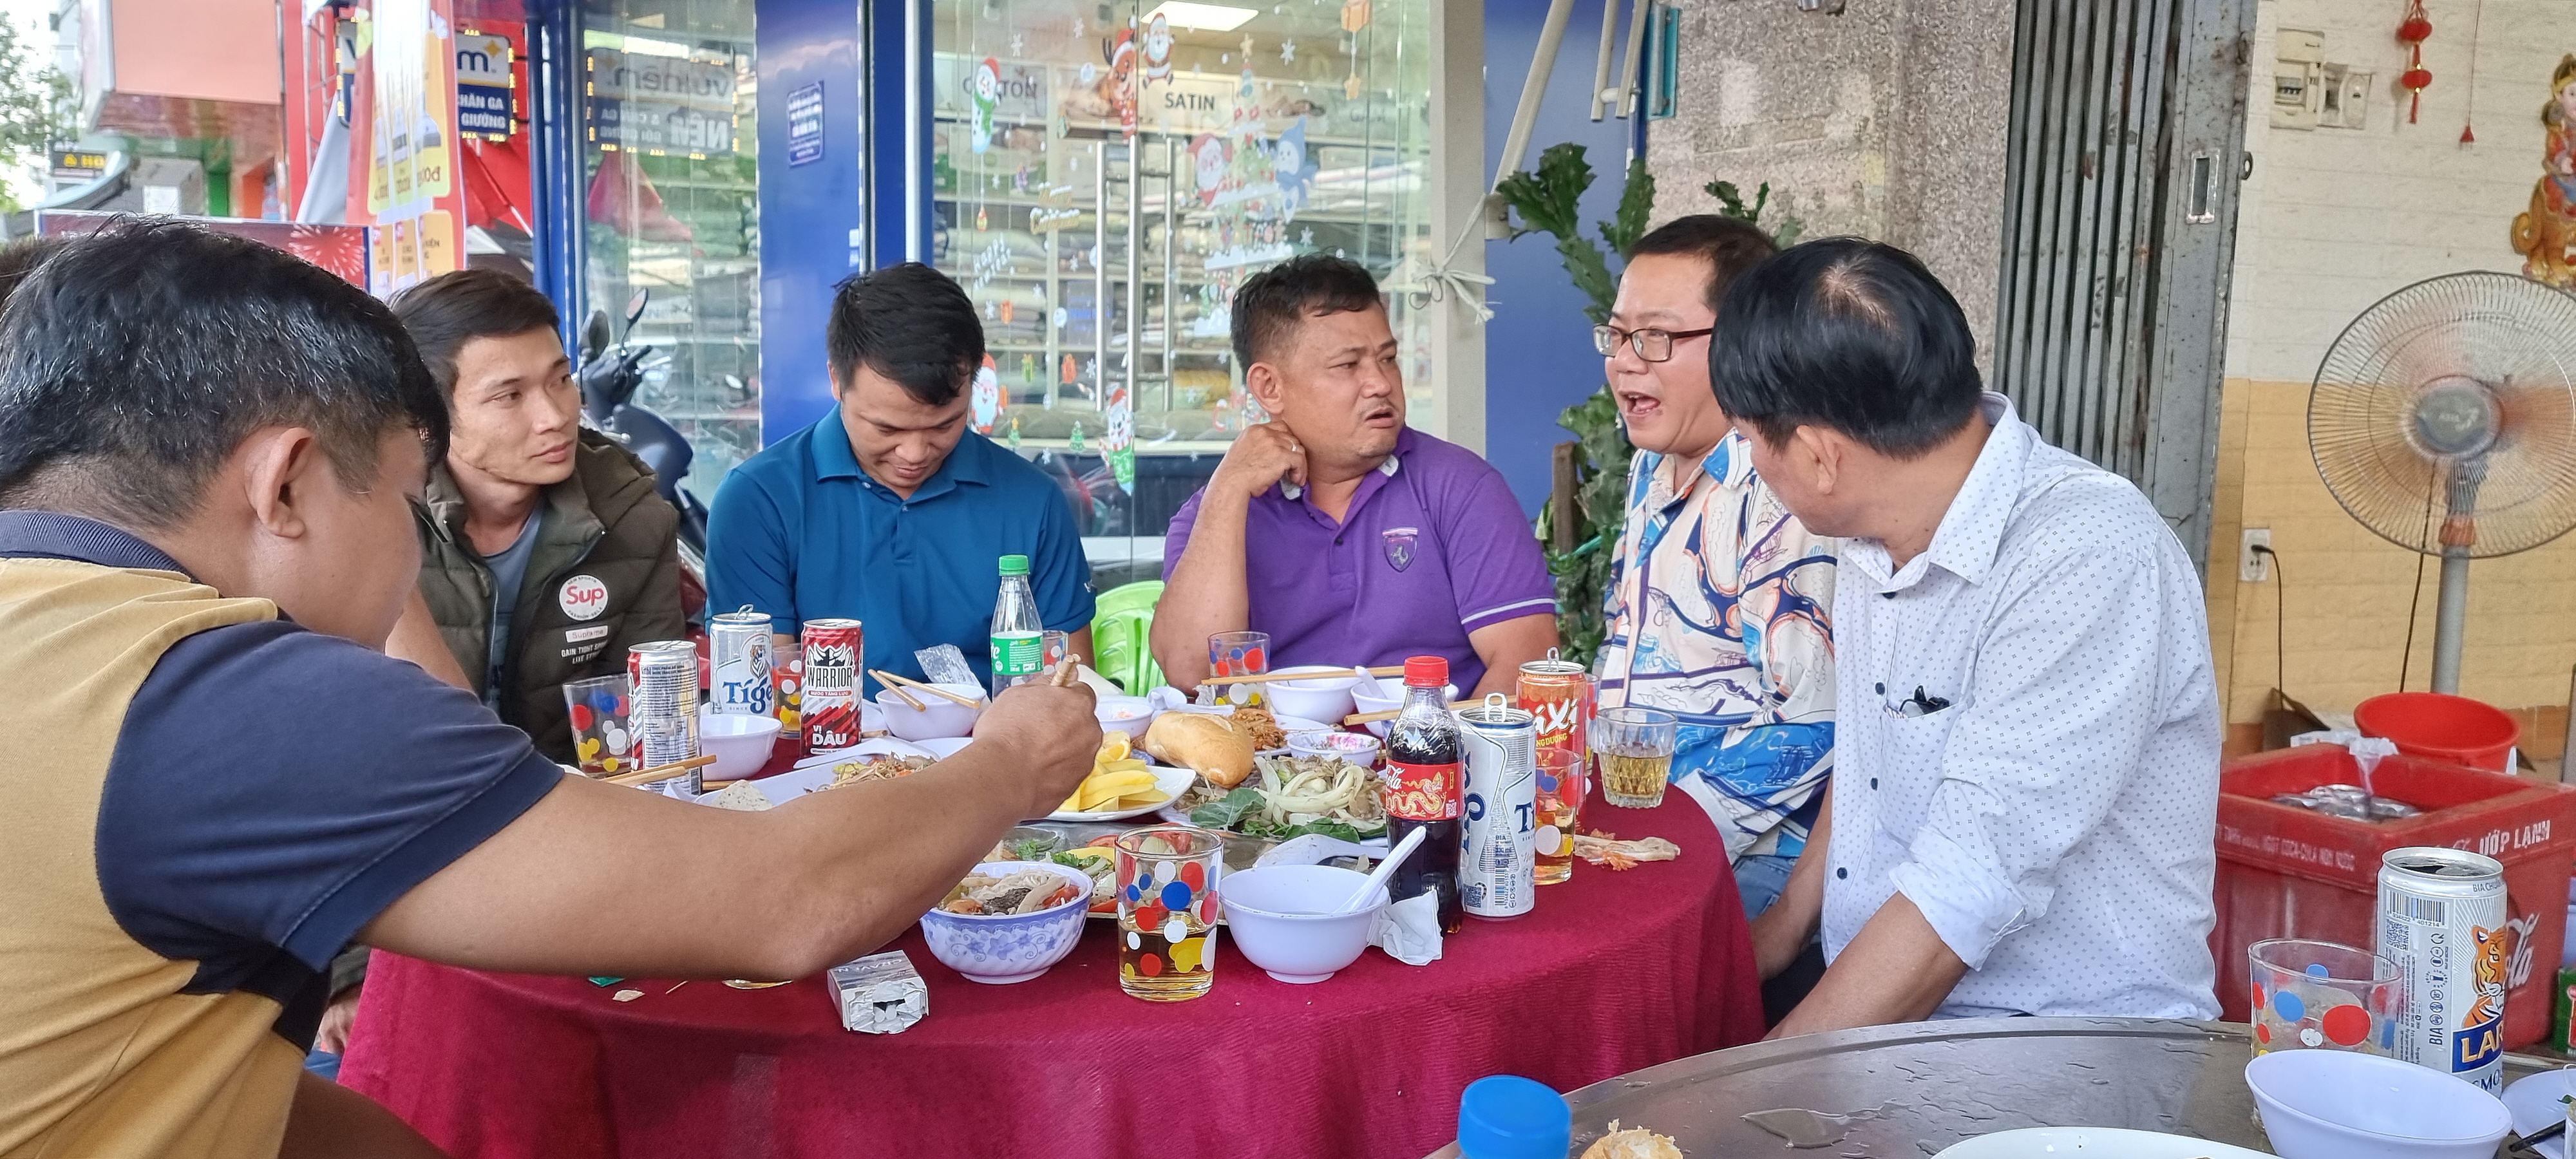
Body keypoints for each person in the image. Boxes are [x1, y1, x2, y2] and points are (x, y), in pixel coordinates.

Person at [0, 220, 1099, 1158]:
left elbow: (227, 1093)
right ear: (286, 484)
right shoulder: (231, 698)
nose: (414, 542)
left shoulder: (57, 628)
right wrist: (1011, 761)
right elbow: (785, 902)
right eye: (406, 498)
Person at [1714, 238, 2222, 1035]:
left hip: (2063, 1039)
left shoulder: (2084, 552)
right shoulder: (1874, 531)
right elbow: (1871, 761)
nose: (1748, 463)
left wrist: (1756, 1083)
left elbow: (1965, 887)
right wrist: (1777, 935)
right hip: (1881, 998)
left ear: (1817, 456)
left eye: (1747, 440)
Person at [1154, 256, 1557, 697]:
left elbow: (1525, 665)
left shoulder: (1461, 488)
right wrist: (1229, 489)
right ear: (1270, 388)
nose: (1380, 383)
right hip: (1271, 743)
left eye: (1388, 359)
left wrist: (1437, 743)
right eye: (1348, 365)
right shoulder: (1217, 513)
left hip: (1433, 737)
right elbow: (1192, 673)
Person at [1590, 216, 1835, 923]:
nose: (1625, 362)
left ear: (1743, 344)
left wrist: (1662, 841)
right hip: (1636, 821)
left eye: (1656, 338)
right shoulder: (1652, 464)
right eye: (1617, 336)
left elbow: (1816, 721)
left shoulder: (1780, 486)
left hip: (1748, 859)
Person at [706, 263, 1095, 691]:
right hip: (822, 735)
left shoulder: (1032, 501)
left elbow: (1069, 687)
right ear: (837, 380)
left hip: (998, 732)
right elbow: (762, 697)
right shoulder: (758, 501)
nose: (914, 454)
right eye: (887, 429)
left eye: (944, 426)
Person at [381, 269, 685, 760]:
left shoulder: (632, 515)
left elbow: (650, 717)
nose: (556, 416)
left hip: (577, 791)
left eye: (561, 380)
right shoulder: (374, 517)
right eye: (510, 396)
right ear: (426, 417)